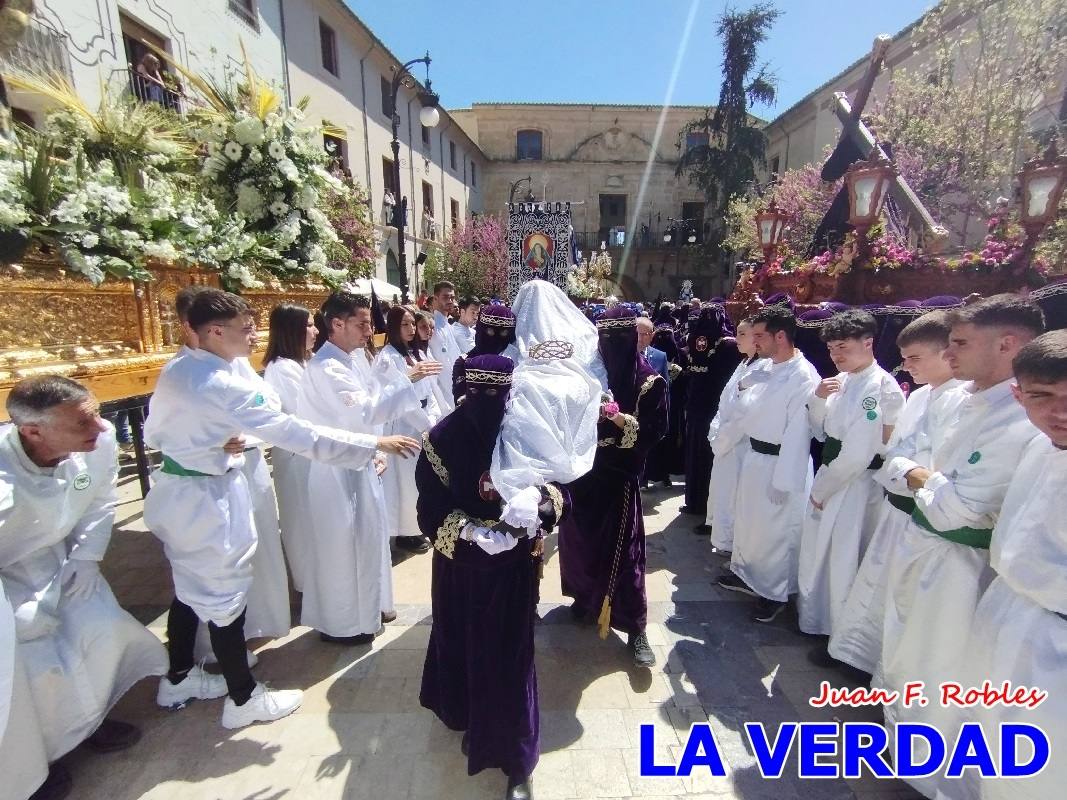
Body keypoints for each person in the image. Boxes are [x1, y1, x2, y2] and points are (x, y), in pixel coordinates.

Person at [145, 289, 418, 730]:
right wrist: (371, 443)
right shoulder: (215, 381)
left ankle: (179, 676)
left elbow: (163, 431)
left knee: (194, 587)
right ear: (215, 332)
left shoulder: (195, 366)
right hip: (204, 498)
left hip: (197, 486)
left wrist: (209, 439)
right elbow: (294, 430)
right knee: (224, 593)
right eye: (245, 328)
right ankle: (243, 697)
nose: (255, 335)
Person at [877, 295, 1043, 798]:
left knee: (942, 668)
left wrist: (917, 474)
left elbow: (956, 507)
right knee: (910, 657)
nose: (950, 355)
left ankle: (933, 776)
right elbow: (905, 460)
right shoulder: (965, 399)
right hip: (924, 546)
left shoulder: (1020, 418)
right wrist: (922, 475)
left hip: (961, 565)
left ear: (1007, 344)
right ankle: (905, 750)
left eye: (961, 343)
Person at [0, 377, 167, 800]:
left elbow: (99, 497)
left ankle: (89, 720)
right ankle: (29, 767)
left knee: (100, 629)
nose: (98, 427)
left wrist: (87, 556)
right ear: (32, 431)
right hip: (7, 577)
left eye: (95, 412)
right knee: (30, 663)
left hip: (62, 563)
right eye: (81, 422)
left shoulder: (102, 439)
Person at [417, 355, 567, 800]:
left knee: (509, 657)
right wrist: (466, 531)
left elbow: (562, 487)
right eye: (477, 394)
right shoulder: (442, 438)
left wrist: (540, 508)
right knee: (460, 642)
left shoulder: (527, 430)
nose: (487, 404)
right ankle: (463, 713)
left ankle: (515, 759)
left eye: (496, 394)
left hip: (513, 566)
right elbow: (430, 509)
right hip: (459, 568)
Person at [932, 330, 1067, 800]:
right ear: (1018, 393)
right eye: (1042, 396)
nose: (1061, 413)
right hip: (1005, 614)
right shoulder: (1035, 444)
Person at [828, 311, 961, 674]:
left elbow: (924, 465)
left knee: (903, 601)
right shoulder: (920, 397)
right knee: (877, 589)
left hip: (923, 515)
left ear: (947, 353)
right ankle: (858, 657)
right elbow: (896, 451)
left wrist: (905, 470)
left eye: (915, 357)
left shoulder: (962, 401)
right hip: (896, 507)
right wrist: (903, 468)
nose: (906, 365)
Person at [298, 292, 423, 643]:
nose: (370, 330)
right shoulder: (327, 367)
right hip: (336, 469)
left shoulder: (351, 359)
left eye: (370, 322)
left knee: (368, 540)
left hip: (361, 462)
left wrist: (376, 447)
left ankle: (371, 608)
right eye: (362, 323)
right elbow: (362, 412)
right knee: (343, 548)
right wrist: (405, 381)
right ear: (336, 324)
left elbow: (370, 407)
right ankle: (343, 624)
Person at [558, 306, 668, 667]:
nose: (611, 346)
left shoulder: (650, 380)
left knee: (626, 555)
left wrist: (621, 419)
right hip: (581, 474)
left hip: (619, 478)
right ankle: (586, 598)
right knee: (578, 544)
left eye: (619, 339)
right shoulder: (584, 373)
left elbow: (655, 431)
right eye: (604, 339)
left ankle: (636, 628)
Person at [797, 310, 905, 648]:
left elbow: (859, 452)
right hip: (832, 474)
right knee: (821, 552)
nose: (836, 355)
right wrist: (817, 399)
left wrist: (823, 488)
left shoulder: (879, 388)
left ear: (868, 342)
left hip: (855, 485)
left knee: (845, 556)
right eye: (831, 349)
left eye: (842, 347)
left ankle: (841, 635)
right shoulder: (841, 382)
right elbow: (820, 430)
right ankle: (818, 620)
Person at [716, 305, 820, 623]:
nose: (754, 342)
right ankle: (746, 573)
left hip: (780, 463)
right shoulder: (767, 368)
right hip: (754, 457)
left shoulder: (803, 375)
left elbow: (799, 432)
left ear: (781, 336)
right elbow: (744, 408)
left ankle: (773, 592)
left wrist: (784, 479)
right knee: (749, 524)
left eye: (760, 336)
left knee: (776, 532)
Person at [376, 305, 444, 554]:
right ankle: (405, 532)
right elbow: (399, 399)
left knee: (420, 480)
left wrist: (434, 419)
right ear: (393, 327)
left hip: (424, 419)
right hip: (404, 424)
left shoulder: (417, 354)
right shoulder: (388, 358)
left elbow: (431, 390)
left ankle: (417, 526)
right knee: (404, 482)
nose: (411, 329)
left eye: (412, 324)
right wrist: (426, 425)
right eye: (404, 324)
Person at [262, 303, 318, 592]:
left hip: (314, 454)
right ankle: (308, 586)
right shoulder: (282, 368)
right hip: (298, 456)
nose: (315, 331)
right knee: (301, 523)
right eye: (308, 325)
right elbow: (306, 414)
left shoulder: (304, 363)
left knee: (316, 523)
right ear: (291, 330)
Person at [700, 317, 762, 545]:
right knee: (723, 495)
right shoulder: (743, 364)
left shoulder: (760, 370)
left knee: (734, 497)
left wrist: (722, 440)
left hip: (737, 444)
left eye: (742, 334)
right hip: (724, 441)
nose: (736, 339)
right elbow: (724, 403)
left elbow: (743, 412)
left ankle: (732, 543)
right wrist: (715, 431)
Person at [681, 305, 742, 516]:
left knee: (697, 454)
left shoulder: (695, 340)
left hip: (697, 407)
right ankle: (705, 506)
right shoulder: (728, 346)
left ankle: (694, 500)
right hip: (715, 408)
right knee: (708, 457)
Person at [451, 303, 517, 403]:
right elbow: (460, 399)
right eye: (490, 331)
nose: (495, 339)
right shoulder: (464, 362)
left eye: (503, 332)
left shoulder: (517, 360)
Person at [427, 281, 461, 413]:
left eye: (452, 297)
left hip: (453, 386)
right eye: (445, 297)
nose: (450, 301)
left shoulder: (448, 324)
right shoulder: (432, 325)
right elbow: (442, 363)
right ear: (435, 298)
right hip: (443, 390)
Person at [636, 316, 669, 385]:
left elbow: (665, 387)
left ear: (652, 336)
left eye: (644, 334)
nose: (639, 339)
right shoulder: (623, 355)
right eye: (637, 334)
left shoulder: (660, 357)